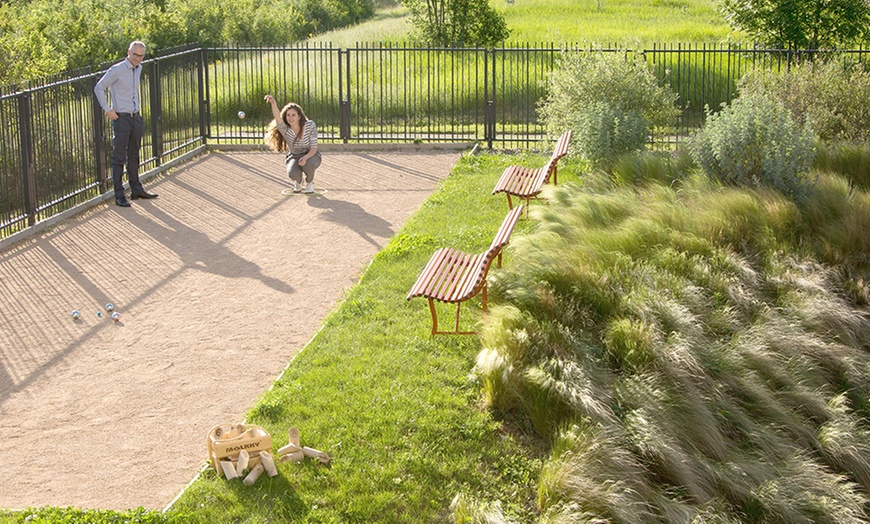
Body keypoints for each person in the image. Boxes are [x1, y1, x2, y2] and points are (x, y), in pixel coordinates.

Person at [94, 40, 158, 207]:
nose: (138, 59)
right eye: (135, 55)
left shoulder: (139, 68)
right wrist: (108, 109)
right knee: (119, 157)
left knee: (135, 155)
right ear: (128, 53)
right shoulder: (117, 70)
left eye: (141, 56)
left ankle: (136, 189)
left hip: (135, 116)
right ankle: (119, 194)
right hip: (121, 117)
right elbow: (99, 88)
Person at [264, 95, 321, 194]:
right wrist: (273, 103)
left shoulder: (310, 125)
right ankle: (298, 182)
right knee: (292, 173)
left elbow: (314, 147)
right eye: (288, 115)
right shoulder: (285, 129)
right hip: (294, 156)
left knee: (308, 165)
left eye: (293, 115)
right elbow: (277, 117)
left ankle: (309, 182)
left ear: (299, 116)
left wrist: (306, 157)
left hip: (311, 155)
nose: (290, 118)